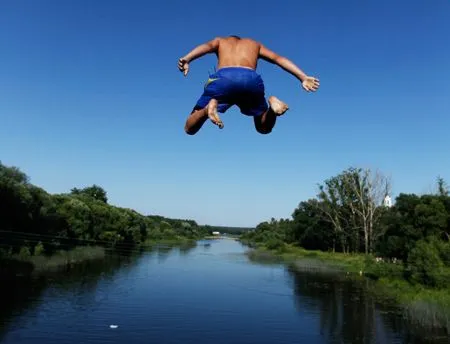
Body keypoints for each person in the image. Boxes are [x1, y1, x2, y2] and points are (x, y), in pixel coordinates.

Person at [178, 35, 320, 135]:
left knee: (189, 128)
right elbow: (278, 59)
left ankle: (207, 109)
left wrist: (187, 58)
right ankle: (272, 108)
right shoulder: (254, 44)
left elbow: (206, 47)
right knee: (263, 128)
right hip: (250, 79)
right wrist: (302, 77)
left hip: (223, 78)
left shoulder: (221, 41)